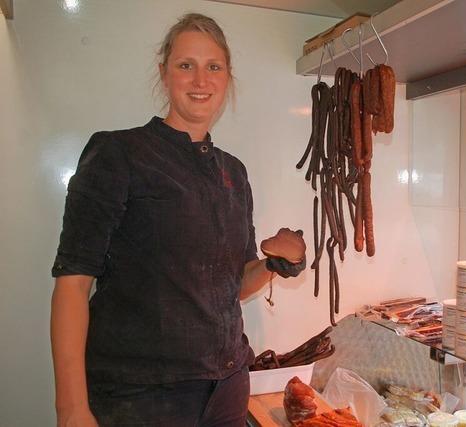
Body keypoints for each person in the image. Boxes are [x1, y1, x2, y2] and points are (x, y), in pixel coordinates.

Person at [50, 13, 306, 427]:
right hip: (140, 397)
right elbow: (72, 285)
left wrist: (276, 263)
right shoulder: (119, 155)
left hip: (226, 391)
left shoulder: (233, 173)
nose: (200, 80)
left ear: (228, 78)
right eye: (186, 65)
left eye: (213, 67)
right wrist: (72, 408)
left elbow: (234, 286)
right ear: (164, 73)